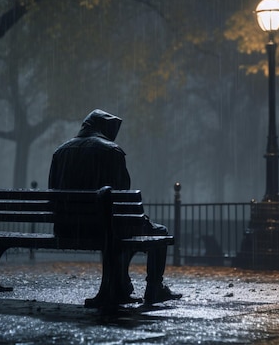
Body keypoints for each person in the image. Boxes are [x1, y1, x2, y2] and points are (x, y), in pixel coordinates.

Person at [48, 109, 182, 307]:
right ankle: (153, 288)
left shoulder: (60, 152)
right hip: (102, 228)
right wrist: (142, 220)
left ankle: (120, 284)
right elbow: (122, 197)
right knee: (157, 232)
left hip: (67, 228)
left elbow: (53, 192)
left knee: (121, 232)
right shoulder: (111, 151)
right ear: (104, 128)